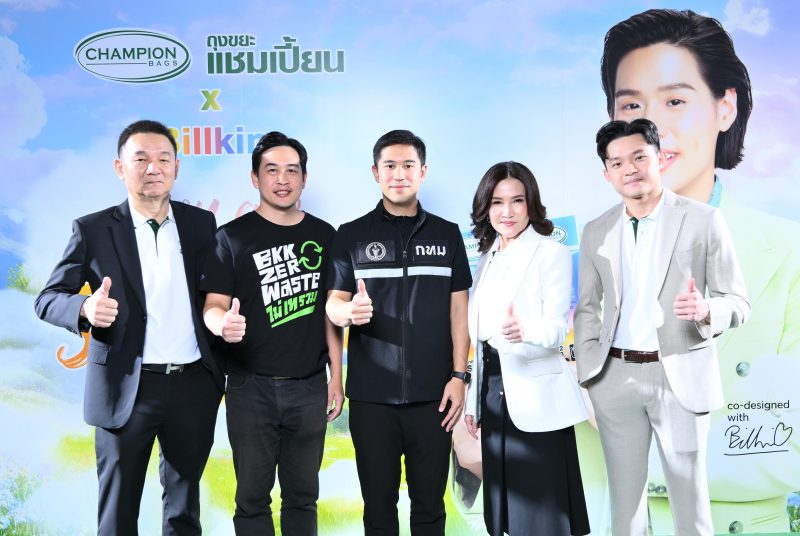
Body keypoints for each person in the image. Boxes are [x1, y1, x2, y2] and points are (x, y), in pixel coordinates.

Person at [600, 9, 800, 533]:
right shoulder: (587, 250)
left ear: (724, 107)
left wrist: (640, 455)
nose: (649, 129)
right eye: (631, 105)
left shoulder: (789, 252)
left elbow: (792, 445)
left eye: (674, 101)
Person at [34, 119, 224, 535]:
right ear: (120, 168)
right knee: (118, 513)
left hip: (193, 385)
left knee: (183, 510)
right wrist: (85, 307)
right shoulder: (92, 229)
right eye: (141, 159)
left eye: (164, 159)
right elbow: (47, 299)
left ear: (176, 167)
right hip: (125, 388)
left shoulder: (200, 225)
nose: (153, 168)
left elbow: (212, 294)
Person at [574, 118, 750, 536]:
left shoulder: (704, 219)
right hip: (615, 377)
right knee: (626, 508)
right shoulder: (596, 230)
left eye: (639, 157)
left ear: (660, 158)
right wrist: (590, 372)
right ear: (607, 173)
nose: (630, 169)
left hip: (680, 376)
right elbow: (587, 308)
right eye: (617, 162)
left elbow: (738, 302)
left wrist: (706, 310)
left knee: (691, 505)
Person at [325, 129, 472, 535]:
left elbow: (459, 312)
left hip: (435, 398)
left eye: (408, 165)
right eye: (389, 165)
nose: (399, 174)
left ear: (423, 172)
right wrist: (348, 311)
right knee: (378, 509)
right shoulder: (351, 234)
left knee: (430, 508)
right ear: (376, 173)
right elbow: (332, 305)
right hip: (372, 399)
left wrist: (459, 377)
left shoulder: (447, 234)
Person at [201, 131, 343, 535]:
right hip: (249, 387)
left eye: (292, 171)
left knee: (303, 498)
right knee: (251, 500)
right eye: (272, 170)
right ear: (255, 178)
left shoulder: (325, 235)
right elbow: (213, 304)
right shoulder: (231, 237)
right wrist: (221, 323)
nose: (282, 179)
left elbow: (331, 313)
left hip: (309, 385)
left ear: (304, 178)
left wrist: (336, 377)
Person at [463, 161, 590, 536]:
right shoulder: (486, 258)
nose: (507, 211)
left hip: (537, 399)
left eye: (517, 200)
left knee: (542, 515)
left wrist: (525, 330)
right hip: (493, 397)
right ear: (486, 207)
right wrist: (473, 403)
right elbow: (479, 341)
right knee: (507, 517)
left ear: (530, 203)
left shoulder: (551, 253)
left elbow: (556, 328)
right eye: (497, 202)